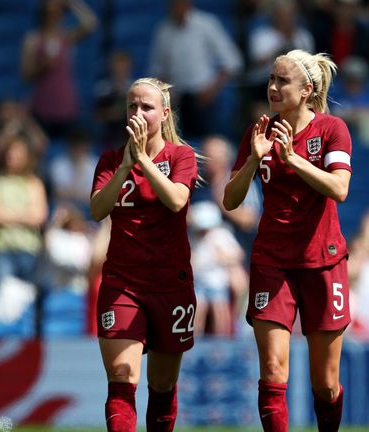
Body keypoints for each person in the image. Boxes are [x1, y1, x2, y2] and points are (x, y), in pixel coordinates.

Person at [223, 49, 351, 432]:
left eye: (283, 81)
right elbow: (230, 200)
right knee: (274, 369)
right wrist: (252, 159)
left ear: (307, 89)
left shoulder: (331, 130)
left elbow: (340, 189)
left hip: (322, 262)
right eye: (271, 80)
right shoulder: (257, 131)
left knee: (325, 386)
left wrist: (293, 159)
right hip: (272, 262)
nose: (273, 87)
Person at [90, 77, 199, 431]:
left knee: (163, 386)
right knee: (122, 377)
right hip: (123, 282)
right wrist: (125, 166)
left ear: (164, 114)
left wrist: (143, 162)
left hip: (170, 283)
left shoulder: (180, 156)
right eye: (132, 106)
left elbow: (177, 199)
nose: (138, 113)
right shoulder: (110, 159)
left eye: (146, 107)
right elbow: (96, 209)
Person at [149, 0, 244, 140]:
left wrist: (212, 89)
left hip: (205, 98)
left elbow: (232, 61)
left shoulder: (206, 24)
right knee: (178, 146)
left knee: (211, 145)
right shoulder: (164, 31)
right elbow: (157, 68)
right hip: (178, 101)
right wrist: (167, 92)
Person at [20, 0, 98, 140]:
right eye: (49, 13)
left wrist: (71, 3)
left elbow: (91, 23)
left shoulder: (65, 37)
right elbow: (25, 75)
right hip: (42, 107)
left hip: (66, 106)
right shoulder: (33, 40)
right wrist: (41, 66)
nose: (53, 17)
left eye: (57, 13)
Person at [0, 134, 48, 285]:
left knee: (27, 299)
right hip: (0, 249)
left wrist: (7, 213)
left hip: (30, 250)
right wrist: (25, 215)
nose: (13, 156)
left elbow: (39, 216)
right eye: (10, 151)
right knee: (5, 298)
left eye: (18, 152)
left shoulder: (34, 182)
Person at [188, 200, 249, 336]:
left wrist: (223, 256)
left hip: (217, 281)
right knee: (198, 310)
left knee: (220, 310)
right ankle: (196, 339)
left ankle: (221, 340)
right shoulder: (193, 237)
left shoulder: (221, 235)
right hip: (199, 281)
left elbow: (238, 254)